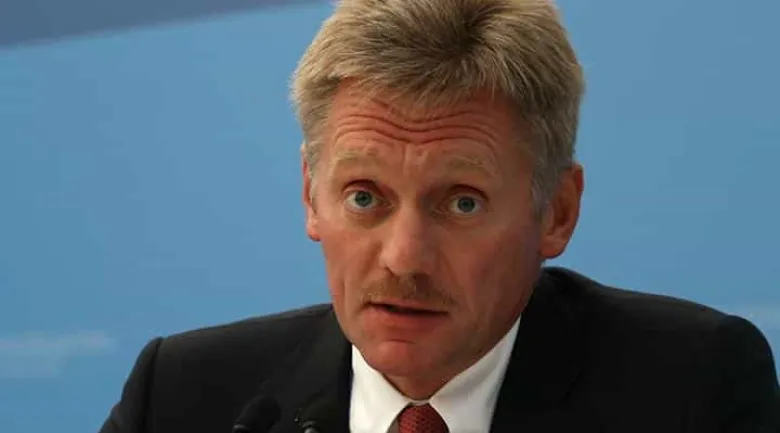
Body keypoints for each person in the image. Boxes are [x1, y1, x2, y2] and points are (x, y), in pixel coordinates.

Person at [99, 0, 780, 432]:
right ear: (311, 195)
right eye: (364, 196)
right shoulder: (185, 398)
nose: (404, 258)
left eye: (461, 202)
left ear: (557, 212)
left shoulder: (691, 389)